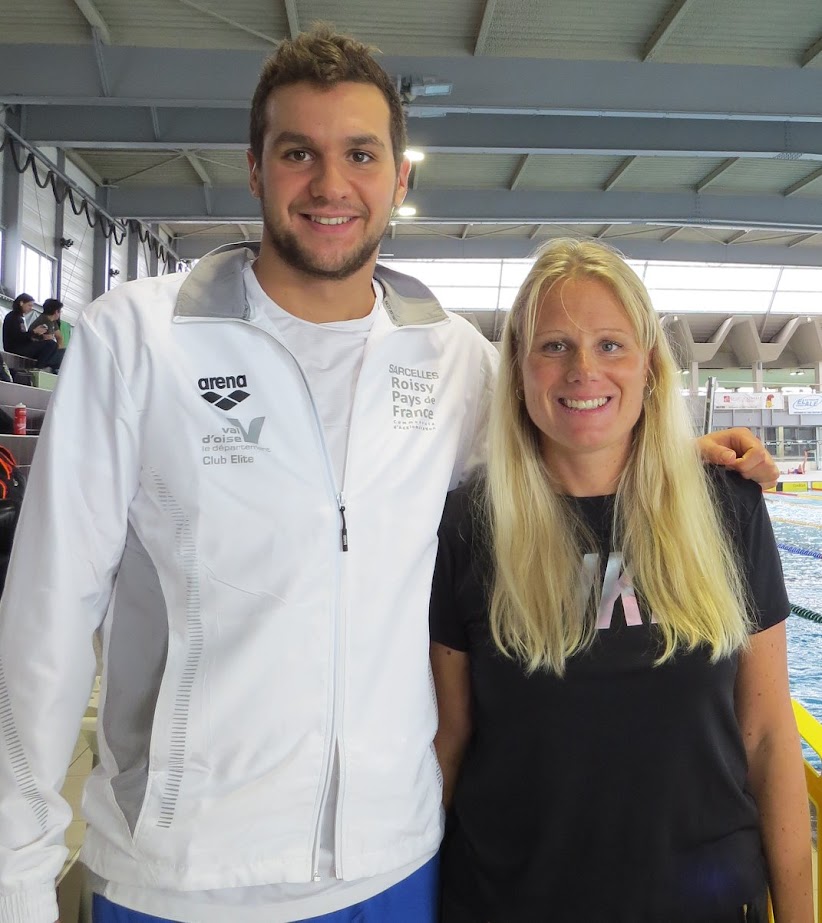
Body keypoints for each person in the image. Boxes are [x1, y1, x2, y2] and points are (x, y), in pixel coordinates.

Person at [0, 28, 777, 923]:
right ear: (254, 168)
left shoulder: (451, 360)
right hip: (180, 877)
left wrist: (686, 456)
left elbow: (571, 431)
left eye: (360, 154)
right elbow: (46, 623)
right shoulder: (136, 342)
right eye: (300, 153)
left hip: (394, 868)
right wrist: (19, 876)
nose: (331, 185)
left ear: (398, 180)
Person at [430, 239, 812, 923]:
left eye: (610, 345)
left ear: (650, 368)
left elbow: (766, 734)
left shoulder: (725, 506)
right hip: (511, 903)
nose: (582, 370)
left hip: (709, 903)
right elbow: (450, 741)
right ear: (518, 372)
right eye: (553, 346)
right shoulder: (469, 526)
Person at [1, 294, 61, 369]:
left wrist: (41, 336)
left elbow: (22, 336)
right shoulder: (13, 317)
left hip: (19, 346)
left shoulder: (19, 318)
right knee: (51, 344)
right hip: (15, 348)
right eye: (29, 305)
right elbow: (17, 337)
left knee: (52, 346)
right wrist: (34, 332)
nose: (31, 308)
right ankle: (39, 367)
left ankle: (43, 366)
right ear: (21, 303)